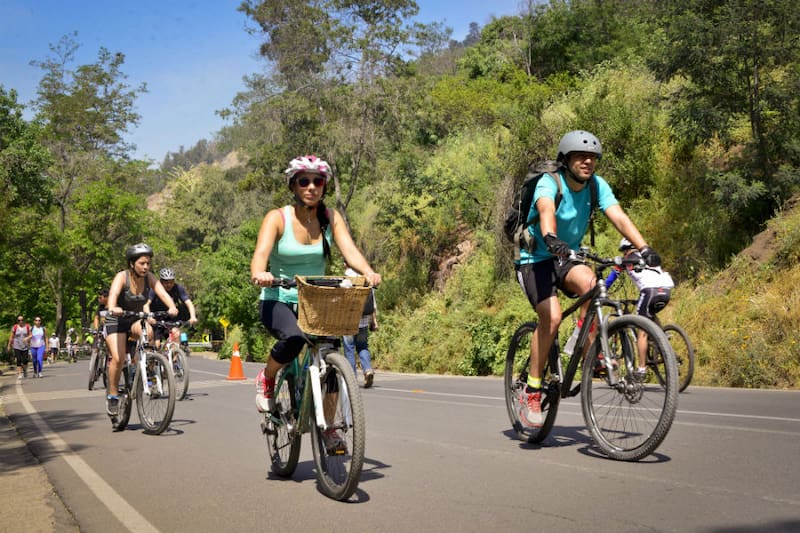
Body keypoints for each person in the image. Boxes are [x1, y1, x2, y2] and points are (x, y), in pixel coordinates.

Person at [515, 130, 662, 428]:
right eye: (581, 157)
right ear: (565, 160)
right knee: (551, 319)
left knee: (594, 286)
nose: (588, 162)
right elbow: (546, 209)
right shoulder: (550, 182)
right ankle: (532, 390)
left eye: (593, 157)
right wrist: (551, 237)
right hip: (535, 259)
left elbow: (618, 216)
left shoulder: (596, 186)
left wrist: (644, 248)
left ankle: (588, 349)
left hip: (565, 257)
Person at [250, 155, 381, 450]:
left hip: (315, 301)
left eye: (318, 181)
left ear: (324, 186)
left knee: (330, 357)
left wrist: (368, 271)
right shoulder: (277, 218)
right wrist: (261, 274)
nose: (311, 187)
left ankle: (330, 428)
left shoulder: (329, 218)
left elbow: (349, 251)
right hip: (279, 297)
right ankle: (267, 377)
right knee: (294, 338)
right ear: (293, 186)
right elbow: (260, 254)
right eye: (304, 181)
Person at [104, 243, 178, 416]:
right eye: (142, 263)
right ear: (132, 263)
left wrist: (172, 306)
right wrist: (113, 307)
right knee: (118, 358)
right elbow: (113, 295)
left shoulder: (149, 278)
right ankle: (113, 396)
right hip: (116, 320)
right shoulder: (121, 277)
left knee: (149, 332)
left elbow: (162, 293)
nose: (146, 267)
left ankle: (146, 369)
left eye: (148, 263)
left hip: (134, 319)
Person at [607, 238, 674, 380]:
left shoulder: (625, 261)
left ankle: (642, 369)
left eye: (624, 251)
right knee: (650, 312)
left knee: (641, 330)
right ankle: (661, 335)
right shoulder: (648, 257)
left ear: (626, 250)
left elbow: (611, 278)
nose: (624, 254)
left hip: (649, 291)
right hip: (665, 291)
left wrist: (602, 290)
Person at [342, 266, 377, 388]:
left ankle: (352, 379)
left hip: (349, 321)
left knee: (349, 349)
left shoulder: (346, 277)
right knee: (363, 346)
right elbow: (373, 302)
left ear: (346, 264)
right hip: (364, 321)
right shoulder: (366, 276)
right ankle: (368, 369)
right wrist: (374, 320)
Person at [145, 267, 198, 349]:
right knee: (156, 345)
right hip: (155, 319)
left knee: (176, 334)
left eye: (171, 282)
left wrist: (193, 317)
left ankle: (174, 355)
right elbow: (146, 304)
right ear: (161, 281)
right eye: (166, 282)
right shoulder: (154, 288)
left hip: (170, 319)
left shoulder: (178, 288)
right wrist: (149, 316)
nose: (169, 285)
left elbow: (189, 303)